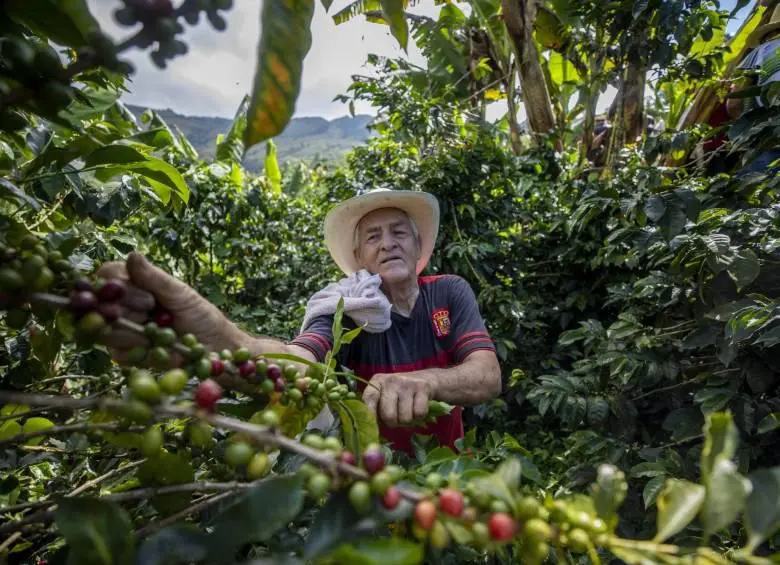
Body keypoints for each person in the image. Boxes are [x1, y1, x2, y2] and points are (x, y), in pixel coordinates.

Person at [96, 188, 502, 455]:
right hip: (380, 471)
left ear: (418, 246)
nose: (388, 243)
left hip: (445, 465)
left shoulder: (449, 291)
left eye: (399, 232)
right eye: (373, 236)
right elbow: (296, 359)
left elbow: (486, 375)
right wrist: (219, 338)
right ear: (360, 257)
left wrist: (427, 381)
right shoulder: (345, 307)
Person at [726, 0, 780, 174]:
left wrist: (749, 132)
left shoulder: (758, 54)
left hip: (767, 140)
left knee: (757, 197)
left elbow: (733, 103)